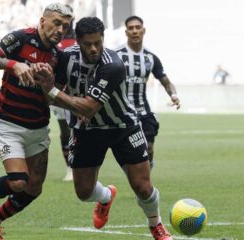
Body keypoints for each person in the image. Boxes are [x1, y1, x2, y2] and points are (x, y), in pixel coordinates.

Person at [35, 17, 173, 240]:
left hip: (123, 126)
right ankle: (106, 196)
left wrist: (52, 93)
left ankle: (155, 224)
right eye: (88, 43)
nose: (93, 49)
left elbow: (85, 106)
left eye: (98, 43)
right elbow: (52, 94)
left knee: (143, 188)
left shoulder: (113, 64)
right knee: (83, 192)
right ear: (78, 41)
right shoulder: (65, 58)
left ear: (103, 40)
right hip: (86, 130)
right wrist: (51, 90)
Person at [0, 3, 73, 240]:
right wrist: (14, 64)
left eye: (65, 25)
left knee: (34, 188)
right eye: (56, 22)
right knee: (18, 182)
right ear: (42, 21)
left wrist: (48, 83)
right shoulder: (20, 38)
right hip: (9, 123)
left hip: (39, 127)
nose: (60, 29)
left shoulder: (59, 57)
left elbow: (51, 99)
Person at [116, 16, 180, 169]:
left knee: (148, 148)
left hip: (144, 111)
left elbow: (165, 81)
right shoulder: (116, 55)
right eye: (131, 28)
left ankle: (146, 176)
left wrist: (173, 95)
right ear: (126, 32)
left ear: (143, 31)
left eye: (138, 28)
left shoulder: (151, 57)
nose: (135, 31)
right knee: (129, 152)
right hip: (122, 112)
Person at [52, 4, 77, 182]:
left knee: (80, 130)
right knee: (65, 131)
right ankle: (69, 167)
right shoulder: (53, 39)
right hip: (58, 93)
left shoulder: (81, 38)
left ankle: (81, 166)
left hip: (77, 93)